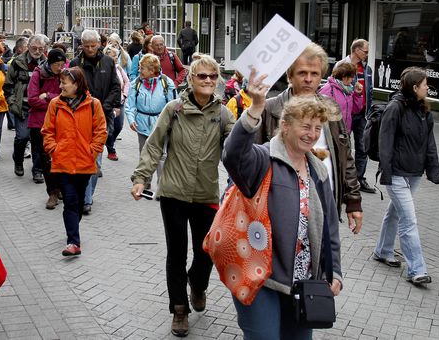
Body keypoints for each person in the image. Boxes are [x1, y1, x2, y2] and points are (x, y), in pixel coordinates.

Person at [223, 75, 343, 340]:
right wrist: (255, 109)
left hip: (304, 282)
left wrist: (335, 272)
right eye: (305, 126)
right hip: (260, 278)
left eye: (317, 128)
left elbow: (330, 230)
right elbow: (232, 155)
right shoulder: (263, 158)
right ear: (285, 125)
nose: (312, 134)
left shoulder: (318, 170)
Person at [130, 55, 235, 337]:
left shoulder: (223, 114)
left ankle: (197, 284)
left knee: (207, 251)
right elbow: (153, 147)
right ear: (191, 79)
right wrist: (142, 178)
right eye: (202, 76)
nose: (208, 81)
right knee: (176, 252)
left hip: (206, 193)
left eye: (213, 77)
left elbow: (236, 149)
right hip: (174, 193)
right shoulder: (173, 109)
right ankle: (179, 309)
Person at [255, 43, 363, 234]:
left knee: (326, 261)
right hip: (281, 209)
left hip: (325, 202)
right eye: (302, 73)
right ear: (290, 75)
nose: (308, 79)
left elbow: (345, 156)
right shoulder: (270, 109)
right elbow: (249, 160)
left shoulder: (330, 109)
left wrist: (353, 201)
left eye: (314, 74)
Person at [374, 67, 439, 285]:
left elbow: (429, 143)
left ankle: (382, 251)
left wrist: (433, 169)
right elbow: (385, 141)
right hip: (397, 174)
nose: (427, 87)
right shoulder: (395, 107)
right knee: (409, 220)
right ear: (414, 87)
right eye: (424, 84)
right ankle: (417, 269)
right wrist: (387, 171)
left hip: (414, 174)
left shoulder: (424, 110)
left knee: (395, 212)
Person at [42, 67, 107, 257]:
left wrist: (92, 151)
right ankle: (73, 242)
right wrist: (54, 149)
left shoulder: (93, 104)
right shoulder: (55, 104)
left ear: (76, 84)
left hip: (84, 163)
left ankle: (73, 230)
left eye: (64, 83)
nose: (60, 86)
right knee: (70, 201)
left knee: (77, 203)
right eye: (60, 82)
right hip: (62, 163)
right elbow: (47, 131)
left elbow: (101, 131)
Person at [70, 30, 121, 214]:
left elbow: (116, 87)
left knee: (95, 161)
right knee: (82, 158)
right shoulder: (76, 64)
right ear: (81, 45)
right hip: (80, 117)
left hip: (102, 117)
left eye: (94, 45)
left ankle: (87, 197)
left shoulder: (107, 62)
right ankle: (82, 195)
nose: (91, 49)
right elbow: (71, 88)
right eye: (87, 45)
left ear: (99, 43)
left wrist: (103, 106)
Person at [335, 39, 376, 193]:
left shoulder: (367, 69)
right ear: (357, 50)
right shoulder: (341, 65)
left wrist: (369, 110)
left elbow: (369, 90)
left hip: (363, 113)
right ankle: (343, 179)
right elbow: (336, 87)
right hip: (347, 113)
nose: (367, 54)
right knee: (343, 146)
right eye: (365, 51)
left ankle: (359, 179)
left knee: (362, 147)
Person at [5, 35, 47, 179]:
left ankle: (37, 171)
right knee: (22, 137)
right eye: (34, 48)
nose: (37, 51)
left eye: (40, 49)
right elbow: (8, 85)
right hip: (22, 106)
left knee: (38, 140)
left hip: (39, 108)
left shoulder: (46, 63)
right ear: (28, 47)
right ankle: (18, 160)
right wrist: (12, 103)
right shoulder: (18, 62)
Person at [27, 48, 67, 201]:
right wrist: (55, 103)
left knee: (60, 157)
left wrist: (49, 96)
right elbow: (32, 99)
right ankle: (53, 192)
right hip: (40, 123)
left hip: (60, 122)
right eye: (57, 64)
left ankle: (61, 188)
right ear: (50, 63)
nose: (60, 67)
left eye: (62, 64)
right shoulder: (38, 74)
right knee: (46, 159)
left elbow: (67, 97)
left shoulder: (64, 75)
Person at [319, 62, 364, 134]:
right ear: (344, 77)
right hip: (332, 133)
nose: (352, 80)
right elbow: (320, 113)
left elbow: (355, 110)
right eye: (351, 77)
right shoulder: (328, 89)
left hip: (345, 133)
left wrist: (357, 94)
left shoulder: (349, 90)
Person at [103, 45, 130, 161]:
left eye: (116, 56)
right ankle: (111, 149)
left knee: (118, 126)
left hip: (120, 102)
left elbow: (127, 82)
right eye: (113, 56)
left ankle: (110, 142)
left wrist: (124, 94)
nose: (115, 58)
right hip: (109, 103)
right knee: (110, 127)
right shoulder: (103, 69)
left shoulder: (119, 68)